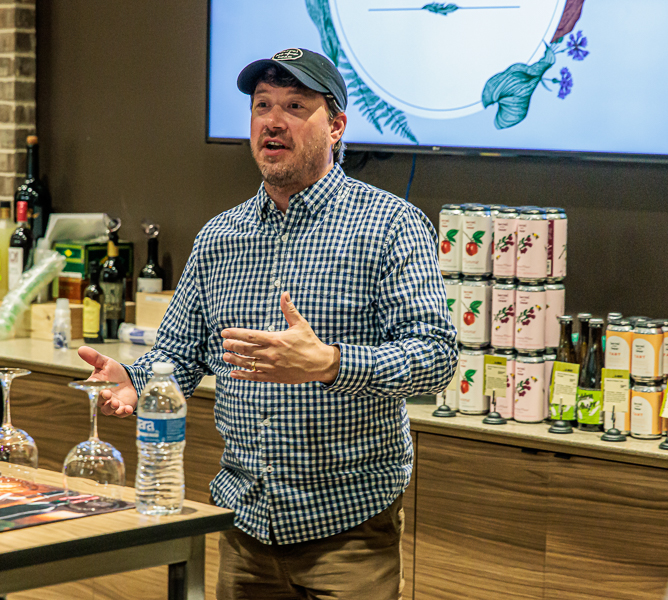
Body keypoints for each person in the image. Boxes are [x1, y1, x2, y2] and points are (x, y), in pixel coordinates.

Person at [78, 47, 457, 600]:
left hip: (349, 530)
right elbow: (181, 353)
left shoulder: (391, 225)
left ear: (336, 126)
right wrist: (139, 379)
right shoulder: (219, 237)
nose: (273, 121)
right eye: (262, 106)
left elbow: (434, 359)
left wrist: (328, 362)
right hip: (242, 527)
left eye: (295, 106)